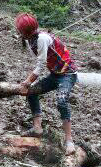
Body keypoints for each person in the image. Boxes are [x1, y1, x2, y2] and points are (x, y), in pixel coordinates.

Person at [14, 13, 78, 155]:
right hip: (55, 74)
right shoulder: (30, 40)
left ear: (25, 31)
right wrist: (29, 85)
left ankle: (69, 141)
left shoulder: (41, 39)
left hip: (67, 74)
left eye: (19, 31)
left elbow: (40, 65)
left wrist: (26, 82)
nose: (18, 33)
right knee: (32, 92)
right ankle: (37, 128)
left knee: (62, 101)